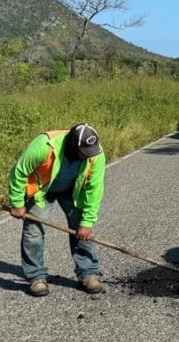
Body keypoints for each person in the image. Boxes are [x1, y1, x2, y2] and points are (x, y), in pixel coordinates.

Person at [7, 123, 107, 296]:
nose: (87, 157)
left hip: (73, 192)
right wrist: (17, 203)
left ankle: (88, 273)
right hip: (42, 191)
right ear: (71, 145)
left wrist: (87, 222)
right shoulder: (44, 145)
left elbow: (94, 190)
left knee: (83, 231)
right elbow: (19, 172)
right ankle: (36, 277)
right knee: (33, 233)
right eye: (83, 154)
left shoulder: (95, 153)